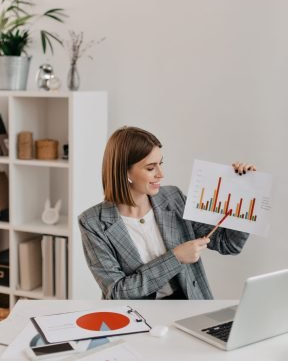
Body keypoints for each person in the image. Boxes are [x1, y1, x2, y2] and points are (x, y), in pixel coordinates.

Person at [78, 126, 256, 300]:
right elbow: (117, 292)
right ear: (125, 172)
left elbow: (229, 244)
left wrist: (244, 196)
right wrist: (175, 258)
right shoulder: (93, 222)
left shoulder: (173, 198)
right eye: (150, 168)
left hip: (190, 306)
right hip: (137, 316)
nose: (161, 174)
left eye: (160, 164)